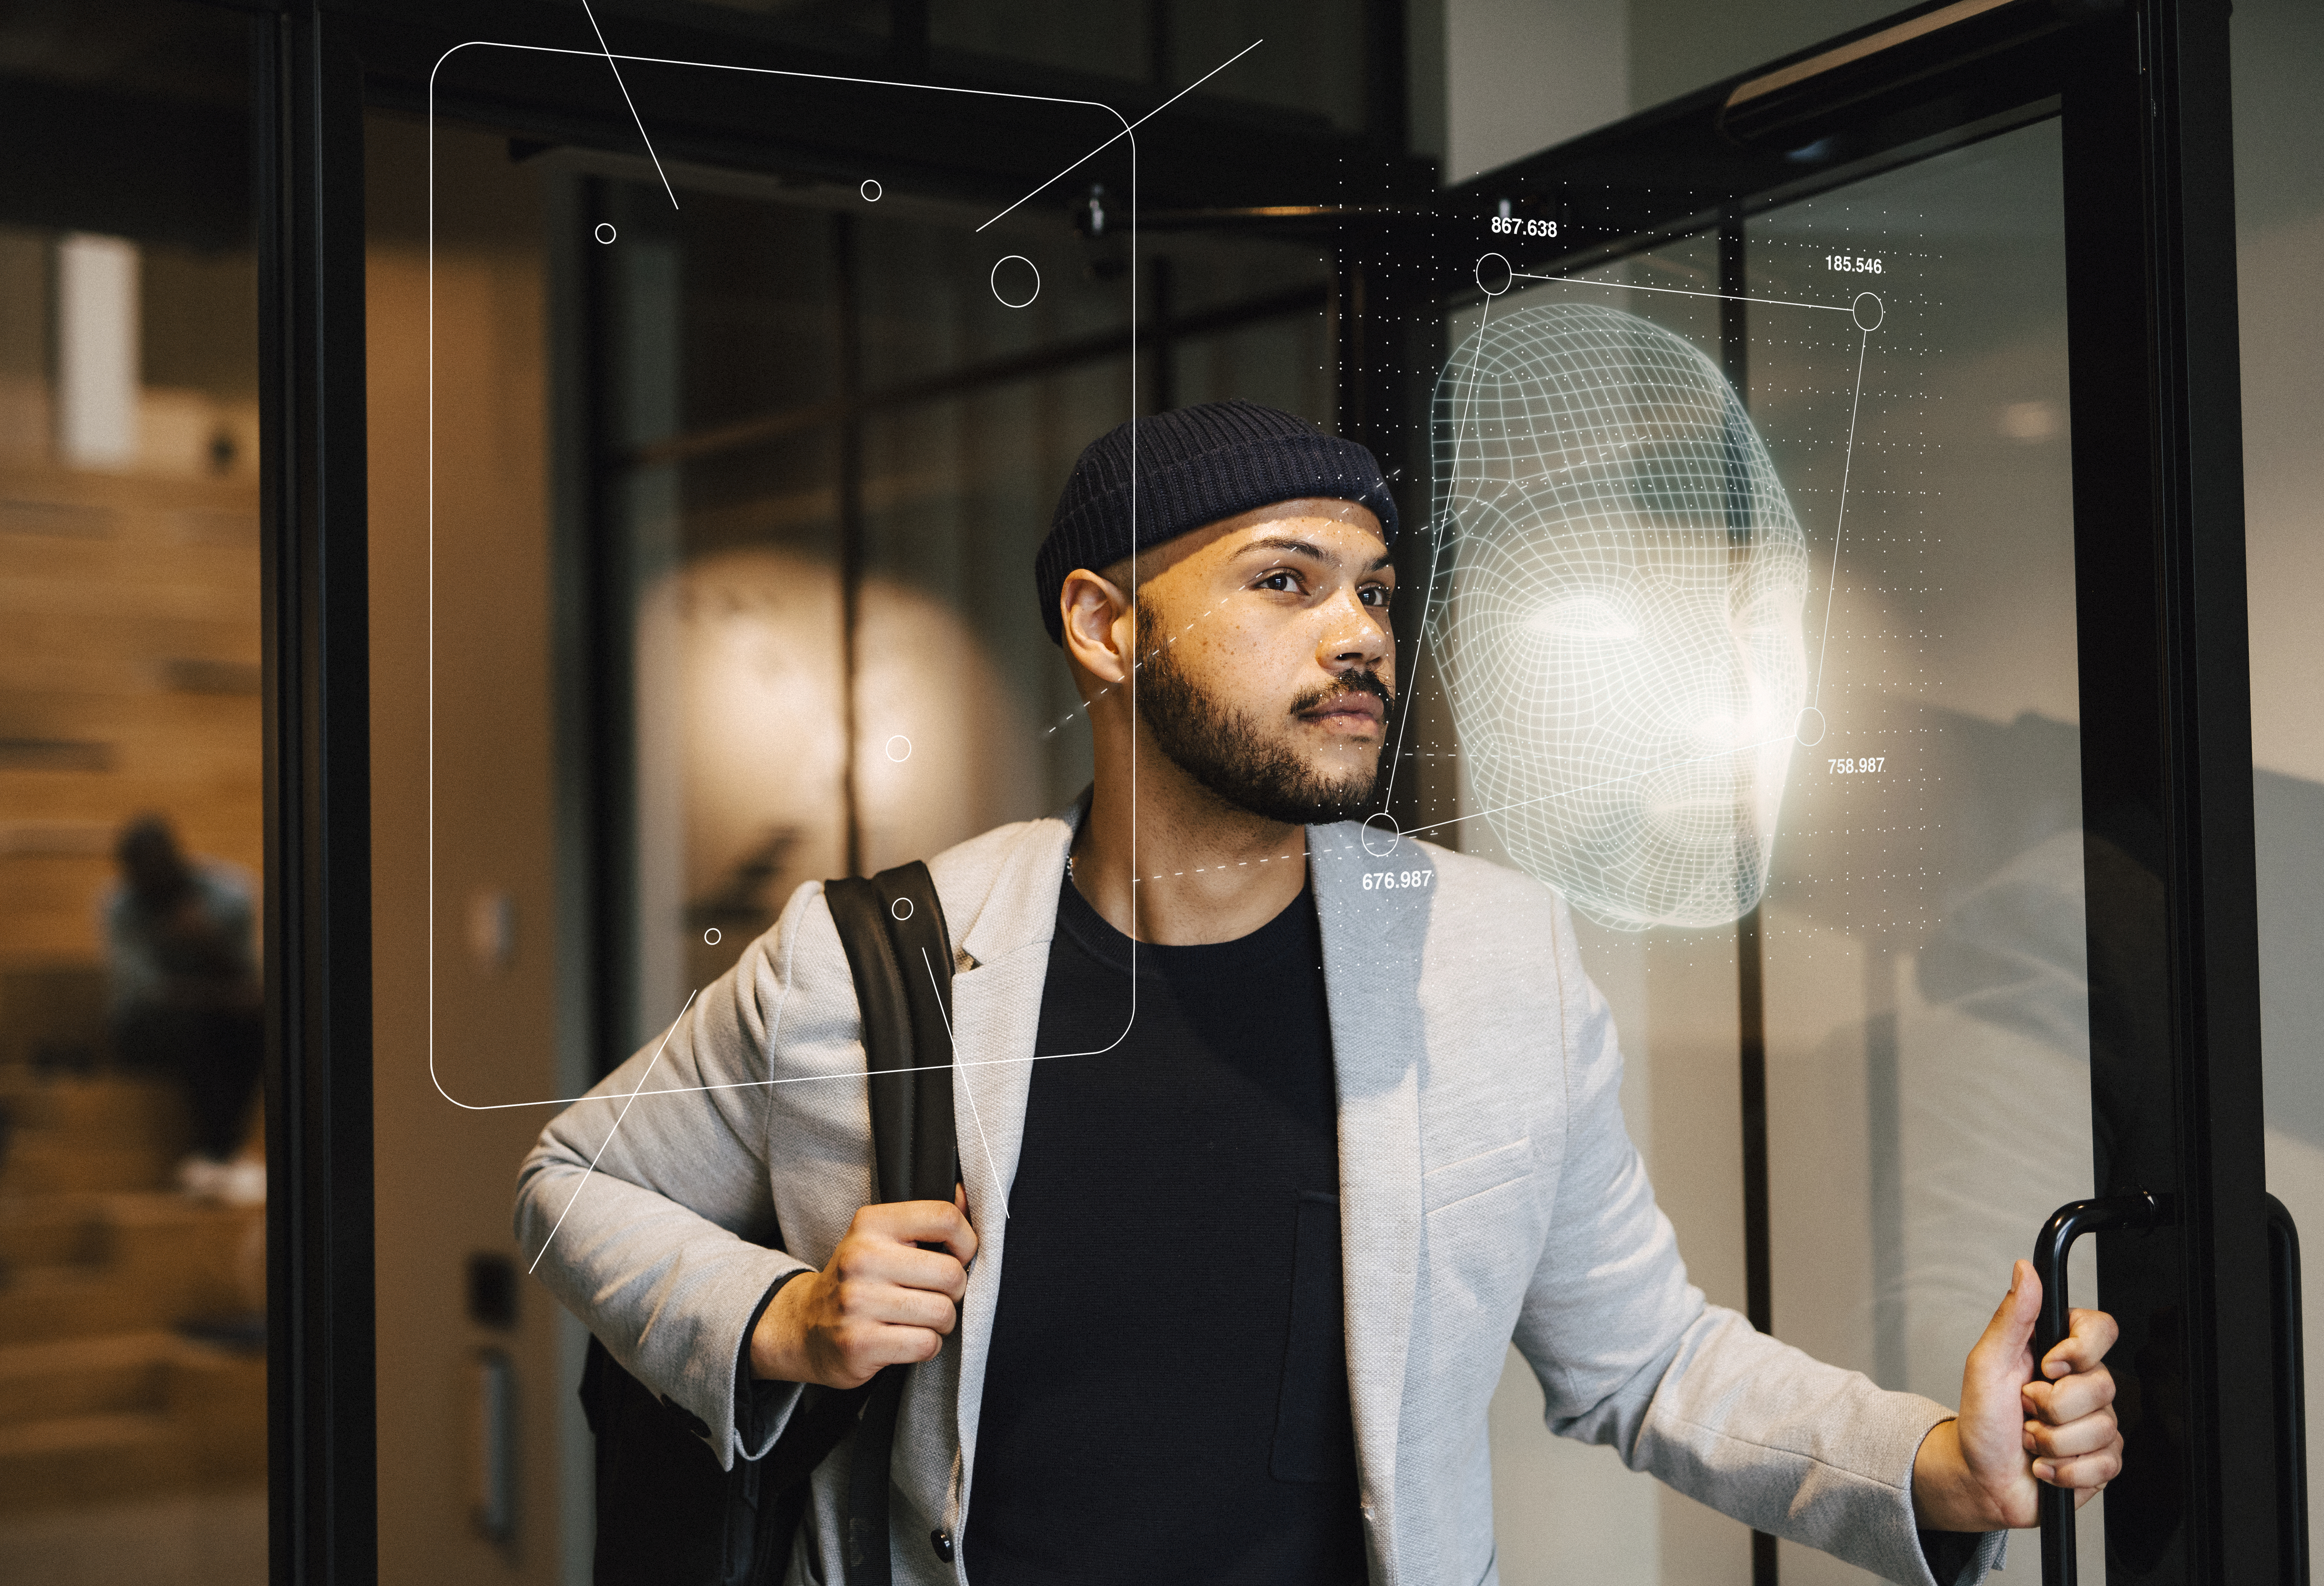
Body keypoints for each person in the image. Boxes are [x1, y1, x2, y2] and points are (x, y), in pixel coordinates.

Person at [518, 401, 2121, 1586]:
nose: (1361, 631)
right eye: (1285, 583)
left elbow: (1648, 1361)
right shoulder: (874, 956)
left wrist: (1927, 1465)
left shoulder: (1493, 961)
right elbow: (568, 1177)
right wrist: (780, 1318)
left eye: (1372, 588)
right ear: (1102, 625)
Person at [104, 814, 265, 1206]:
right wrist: (226, 997)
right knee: (199, 1028)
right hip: (143, 1027)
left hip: (216, 1017)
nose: (152, 882)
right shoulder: (121, 908)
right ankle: (218, 1152)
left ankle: (216, 1156)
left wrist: (207, 942)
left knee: (260, 1027)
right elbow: (149, 994)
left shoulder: (227, 895)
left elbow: (251, 978)